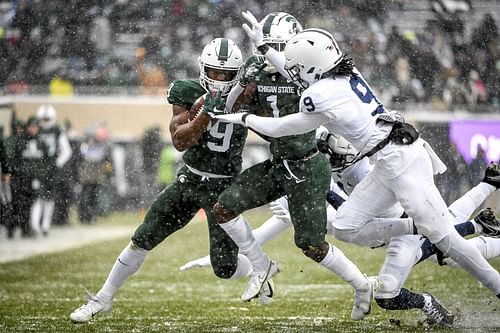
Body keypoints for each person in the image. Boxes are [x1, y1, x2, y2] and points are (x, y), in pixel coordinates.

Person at [216, 19, 500, 300]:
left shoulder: (319, 94)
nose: (293, 71)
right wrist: (266, 49)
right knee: (344, 226)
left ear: (313, 64)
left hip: (401, 162)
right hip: (387, 160)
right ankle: (420, 225)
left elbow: (282, 127)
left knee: (448, 241)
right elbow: (299, 75)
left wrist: (244, 117)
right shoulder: (344, 75)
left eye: (298, 65)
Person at [69, 37, 251, 323]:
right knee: (143, 237)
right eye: (214, 72)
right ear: (203, 68)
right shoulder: (187, 90)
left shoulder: (246, 95)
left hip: (224, 187)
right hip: (190, 180)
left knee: (225, 267)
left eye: (226, 74)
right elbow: (180, 141)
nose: (219, 78)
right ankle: (102, 298)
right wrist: (204, 116)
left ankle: (257, 270)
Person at [212, 12, 377, 321]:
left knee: (312, 245)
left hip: (309, 167)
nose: (272, 54)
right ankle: (261, 266)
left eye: (278, 47)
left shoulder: (312, 79)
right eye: (267, 46)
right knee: (223, 208)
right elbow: (233, 107)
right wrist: (241, 89)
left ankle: (362, 285)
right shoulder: (257, 72)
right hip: (279, 163)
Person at [31, 105, 72, 236]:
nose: (46, 121)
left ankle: (45, 225)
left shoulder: (57, 131)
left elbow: (67, 151)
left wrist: (56, 164)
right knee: (37, 197)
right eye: (44, 119)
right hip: (37, 169)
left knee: (49, 199)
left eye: (48, 119)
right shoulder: (35, 130)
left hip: (51, 171)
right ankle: (35, 224)